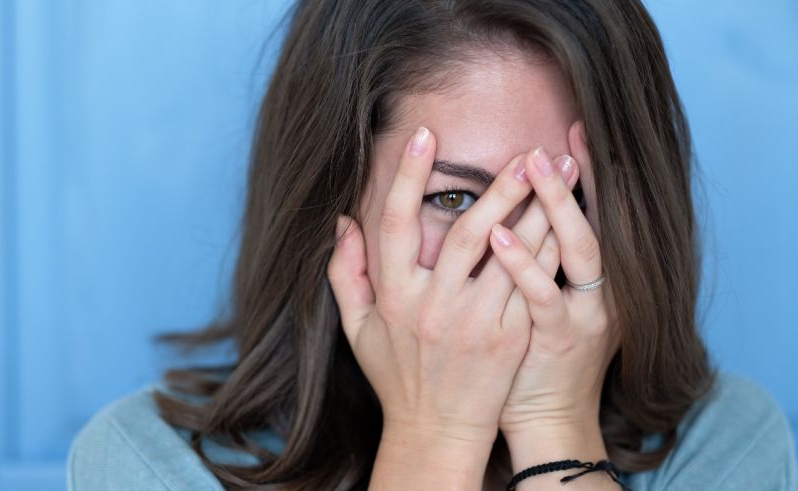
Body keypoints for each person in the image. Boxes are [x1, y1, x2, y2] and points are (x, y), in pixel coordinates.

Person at [68, 1, 797, 489]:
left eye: (564, 202)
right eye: (453, 198)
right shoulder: (148, 463)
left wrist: (554, 428)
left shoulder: (726, 443)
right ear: (333, 208)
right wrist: (433, 436)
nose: (518, 256)